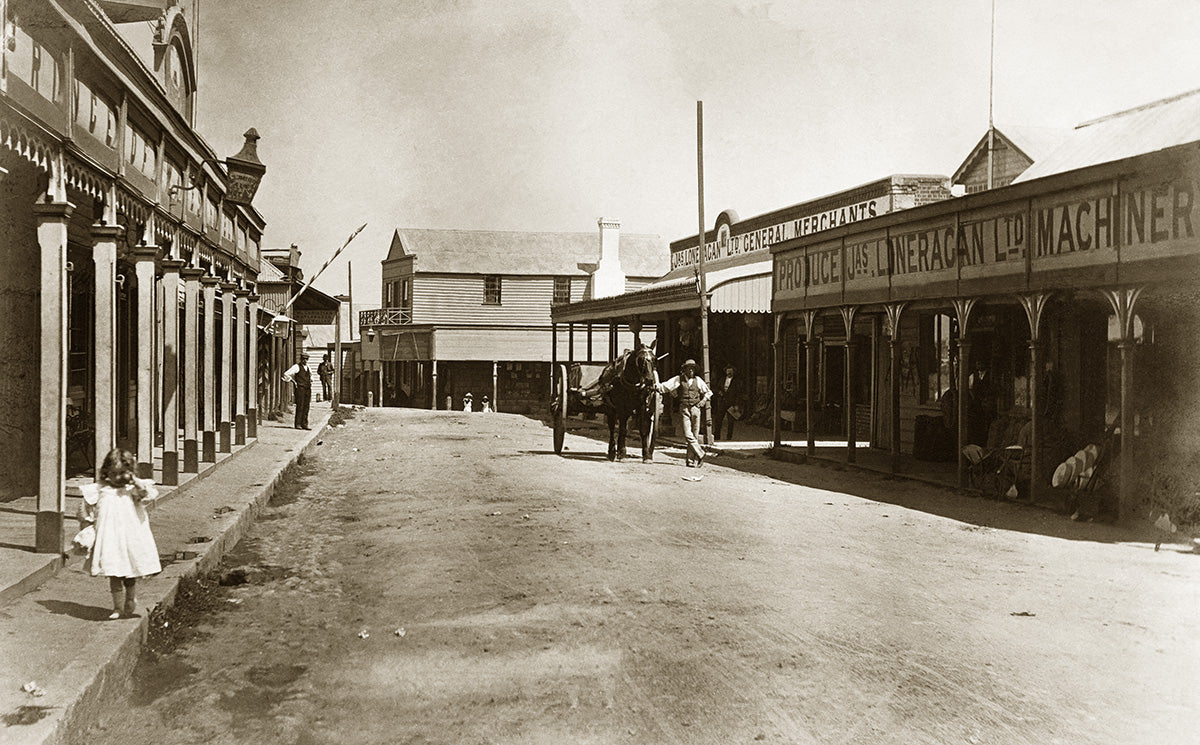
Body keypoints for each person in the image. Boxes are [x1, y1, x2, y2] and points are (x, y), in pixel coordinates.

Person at [78, 449, 161, 620]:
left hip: (129, 537)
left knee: (128, 572)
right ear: (106, 471)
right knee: (113, 571)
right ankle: (117, 607)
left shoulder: (132, 490)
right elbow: (86, 511)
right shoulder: (100, 490)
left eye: (122, 473)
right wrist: (87, 529)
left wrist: (134, 481)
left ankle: (130, 597)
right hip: (109, 538)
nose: (117, 477)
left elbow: (147, 495)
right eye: (113, 473)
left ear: (130, 472)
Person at [657, 359, 712, 467]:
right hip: (684, 408)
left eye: (693, 368)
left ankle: (690, 460)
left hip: (696, 408)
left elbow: (708, 392)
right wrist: (657, 386)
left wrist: (703, 401)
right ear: (685, 370)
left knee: (694, 435)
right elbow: (666, 386)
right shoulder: (679, 379)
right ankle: (700, 453)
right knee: (688, 434)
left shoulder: (698, 380)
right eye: (689, 368)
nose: (691, 370)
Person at [713, 364, 745, 441]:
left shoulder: (737, 381)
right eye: (728, 371)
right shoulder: (722, 379)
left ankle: (729, 437)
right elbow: (717, 388)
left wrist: (736, 404)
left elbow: (738, 393)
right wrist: (719, 392)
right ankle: (717, 435)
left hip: (732, 402)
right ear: (726, 372)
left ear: (733, 372)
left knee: (731, 421)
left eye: (731, 371)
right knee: (718, 419)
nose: (729, 372)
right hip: (722, 401)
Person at [293, 354, 312, 429]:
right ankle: (298, 424)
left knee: (306, 406)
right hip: (300, 389)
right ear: (301, 359)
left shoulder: (308, 367)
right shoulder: (296, 366)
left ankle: (304, 424)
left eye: (307, 359)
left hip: (307, 388)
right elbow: (286, 374)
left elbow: (311, 375)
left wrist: (310, 380)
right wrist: (294, 382)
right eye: (304, 359)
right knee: (300, 405)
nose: (305, 360)